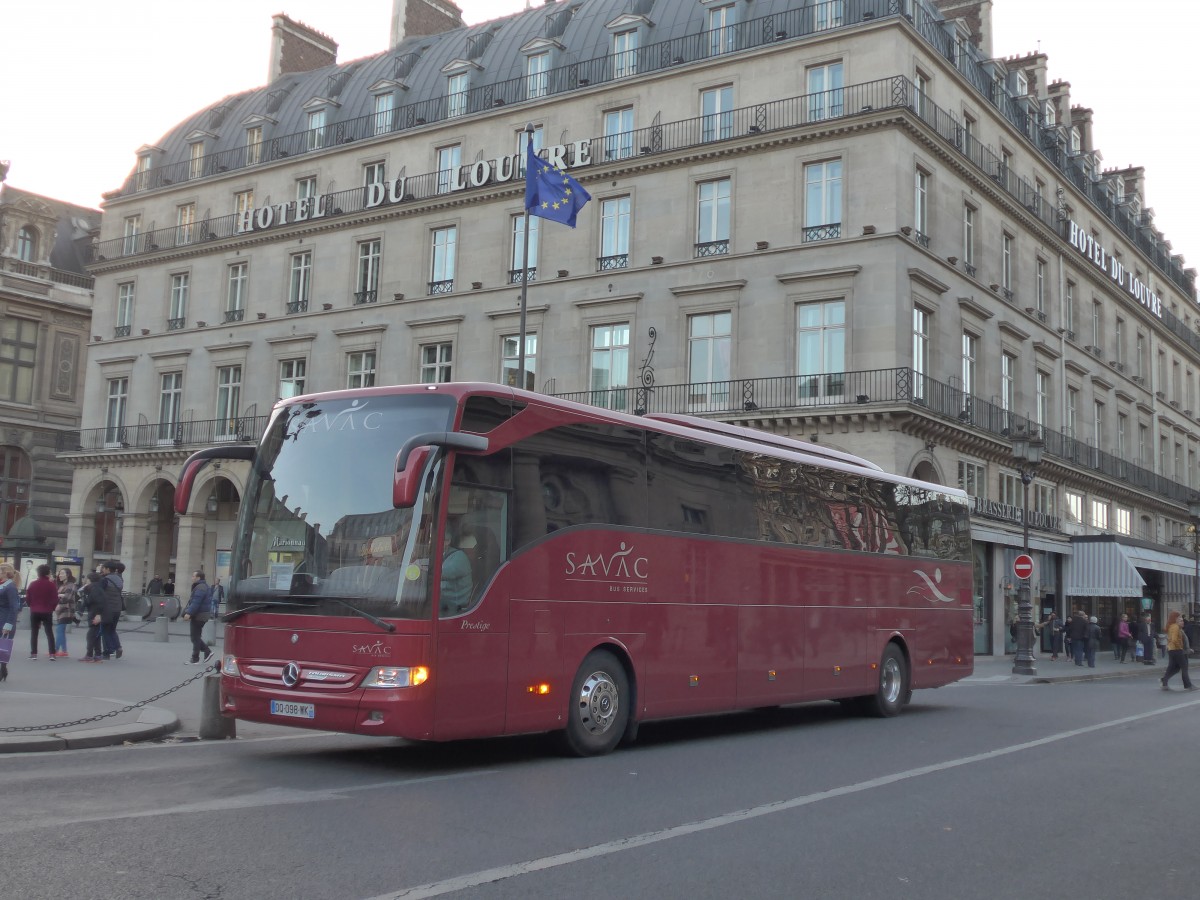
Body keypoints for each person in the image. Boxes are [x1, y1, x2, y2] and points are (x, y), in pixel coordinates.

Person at [24, 564, 58, 660]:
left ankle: (34, 654)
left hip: (35, 610)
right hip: (47, 611)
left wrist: (32, 605)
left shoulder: (33, 584)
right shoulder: (51, 585)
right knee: (49, 632)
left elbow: (28, 598)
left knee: (34, 633)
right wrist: (52, 607)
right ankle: (52, 654)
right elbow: (55, 599)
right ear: (47, 573)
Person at [438, 527, 474, 616]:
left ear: (447, 541)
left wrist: (422, 571)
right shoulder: (445, 555)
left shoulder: (459, 557)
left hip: (454, 602)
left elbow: (442, 574)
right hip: (446, 599)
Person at [182, 571, 214, 665]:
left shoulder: (200, 587)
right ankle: (205, 652)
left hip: (199, 615)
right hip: (202, 614)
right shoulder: (204, 586)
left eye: (193, 576)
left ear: (198, 578)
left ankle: (197, 657)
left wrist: (189, 613)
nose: (192, 577)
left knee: (195, 637)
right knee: (196, 637)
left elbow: (196, 602)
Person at [1161, 610, 1195, 690]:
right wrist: (1180, 647)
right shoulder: (1175, 627)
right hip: (1177, 650)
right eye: (1178, 617)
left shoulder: (1171, 626)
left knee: (1174, 667)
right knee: (1184, 667)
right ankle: (1188, 685)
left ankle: (1164, 682)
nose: (1180, 619)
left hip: (1172, 650)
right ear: (1174, 618)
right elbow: (1174, 640)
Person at [98, 560, 125, 659]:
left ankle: (108, 651)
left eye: (103, 568)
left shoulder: (105, 580)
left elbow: (99, 593)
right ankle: (118, 647)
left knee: (105, 630)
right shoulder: (119, 579)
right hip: (117, 608)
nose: (102, 570)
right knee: (112, 630)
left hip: (107, 608)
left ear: (108, 569)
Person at [78, 571, 107, 662]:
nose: (86, 581)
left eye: (87, 579)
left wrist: (98, 615)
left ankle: (89, 655)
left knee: (90, 635)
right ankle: (98, 655)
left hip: (95, 614)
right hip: (95, 613)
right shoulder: (96, 588)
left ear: (89, 580)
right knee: (96, 635)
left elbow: (98, 602)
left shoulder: (94, 589)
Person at [0, 563, 20, 682]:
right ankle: (3, 669)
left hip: (5, 621)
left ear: (4, 572)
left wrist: (9, 624)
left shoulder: (10, 587)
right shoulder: (4, 585)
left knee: (3, 647)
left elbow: (14, 607)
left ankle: (3, 669)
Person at [54, 568, 78, 658]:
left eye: (62, 573)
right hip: (61, 610)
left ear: (68, 574)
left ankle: (55, 650)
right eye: (59, 573)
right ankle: (64, 651)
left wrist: (60, 596)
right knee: (61, 630)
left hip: (67, 610)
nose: (60, 575)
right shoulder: (61, 585)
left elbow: (67, 597)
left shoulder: (71, 585)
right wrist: (60, 596)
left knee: (59, 629)